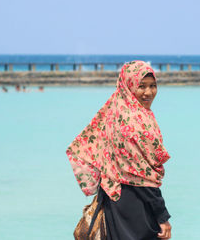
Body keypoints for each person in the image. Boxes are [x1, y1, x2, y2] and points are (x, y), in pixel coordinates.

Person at [66, 60, 172, 240]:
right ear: (129, 86)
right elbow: (143, 178)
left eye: (153, 86)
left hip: (113, 204)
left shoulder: (115, 112)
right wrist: (163, 217)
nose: (148, 92)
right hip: (136, 212)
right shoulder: (134, 123)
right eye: (141, 86)